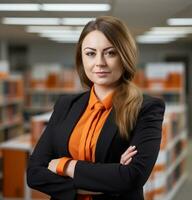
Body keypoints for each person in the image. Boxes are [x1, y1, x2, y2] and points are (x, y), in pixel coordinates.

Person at [27, 16, 165, 200]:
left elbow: (132, 176)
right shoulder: (65, 105)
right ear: (81, 58)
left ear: (125, 56)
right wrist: (104, 177)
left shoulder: (146, 108)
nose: (99, 62)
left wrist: (65, 166)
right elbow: (35, 173)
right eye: (91, 53)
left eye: (110, 53)